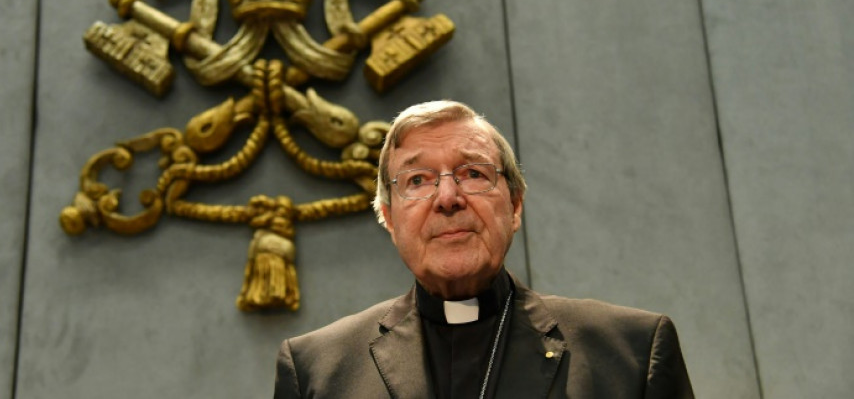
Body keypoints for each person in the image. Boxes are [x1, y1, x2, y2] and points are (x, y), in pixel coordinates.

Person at [274, 100, 694, 398]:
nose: (448, 197)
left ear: (514, 205)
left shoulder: (630, 353)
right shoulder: (319, 371)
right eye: (417, 180)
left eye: (472, 173)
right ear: (389, 217)